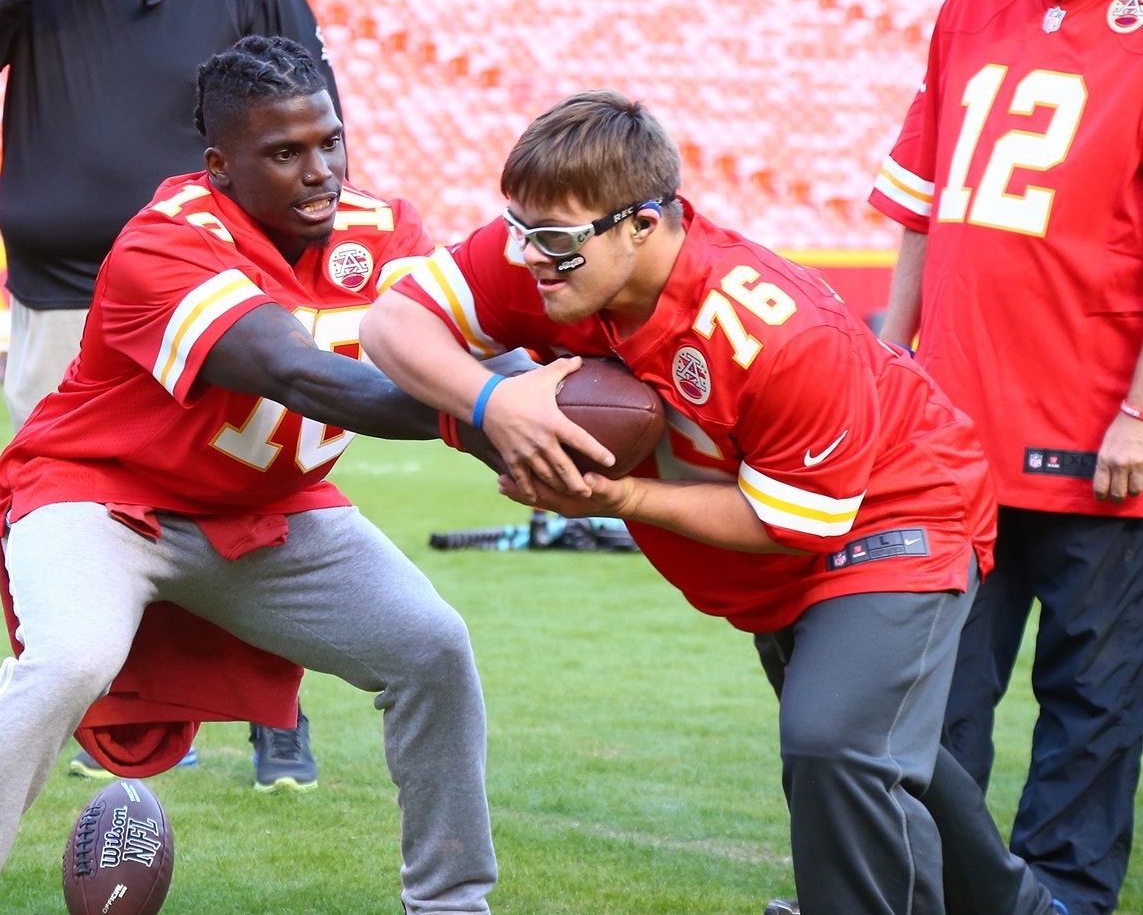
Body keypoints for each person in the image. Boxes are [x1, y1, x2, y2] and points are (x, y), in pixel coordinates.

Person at [360, 88, 1067, 915]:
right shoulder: (550, 248)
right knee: (876, 751)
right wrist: (496, 404)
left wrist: (621, 494)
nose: (527, 256)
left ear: (644, 224)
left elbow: (796, 519)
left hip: (892, 513)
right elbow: (392, 324)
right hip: (768, 545)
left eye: (551, 239)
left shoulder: (779, 329)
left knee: (836, 743)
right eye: (517, 228)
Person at [0, 35, 499, 915]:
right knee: (66, 660)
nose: (320, 171)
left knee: (433, 647)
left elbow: (458, 345)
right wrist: (495, 415)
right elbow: (299, 372)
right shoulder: (163, 243)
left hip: (268, 508)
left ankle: (450, 904)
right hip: (104, 496)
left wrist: (535, 383)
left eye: (330, 142)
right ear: (219, 166)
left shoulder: (380, 227)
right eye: (284, 153)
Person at [0, 0, 344, 787]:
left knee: (246, 502)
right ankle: (128, 719)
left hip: (215, 294)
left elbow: (317, 120)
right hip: (65, 295)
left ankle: (281, 717)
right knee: (75, 520)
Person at [868, 0, 1143, 912]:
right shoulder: (970, 5)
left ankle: (1063, 894)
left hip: (1100, 434)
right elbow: (919, 206)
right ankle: (931, 885)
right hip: (952, 431)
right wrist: (891, 362)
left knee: (1093, 697)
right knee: (935, 692)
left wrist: (1139, 410)